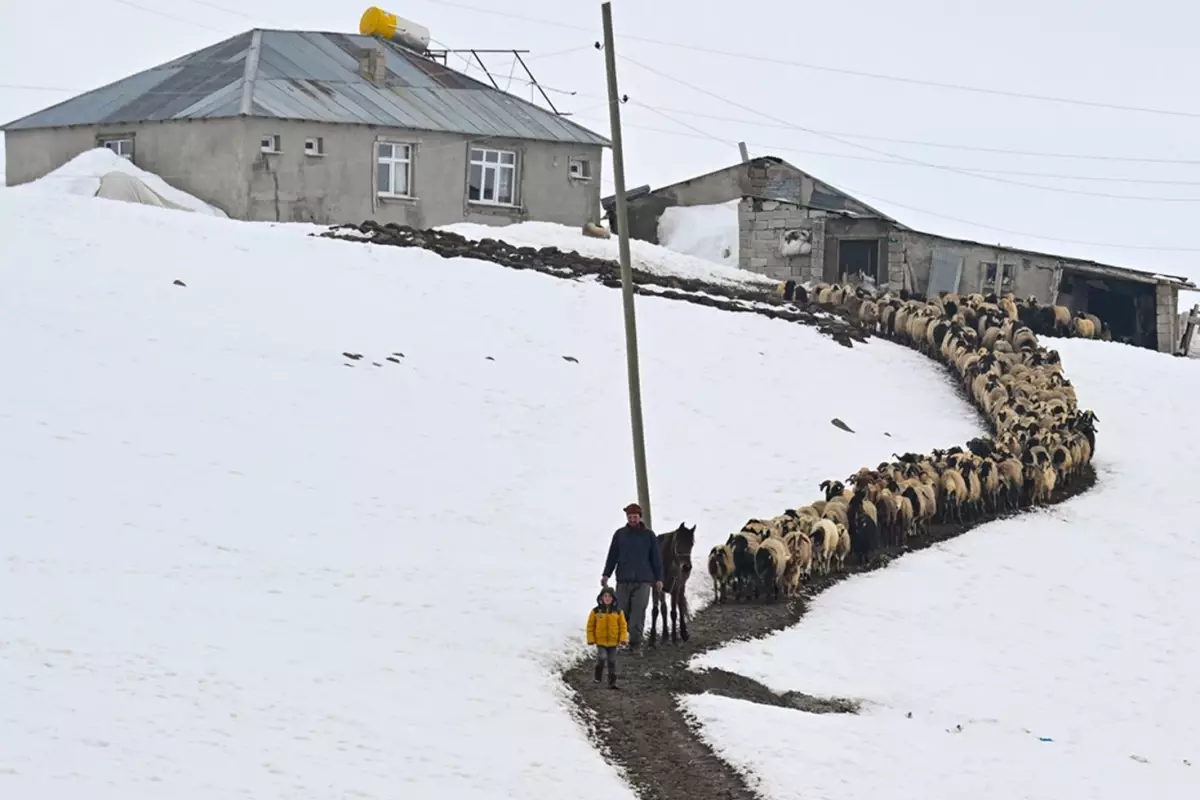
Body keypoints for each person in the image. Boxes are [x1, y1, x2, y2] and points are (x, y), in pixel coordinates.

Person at [600, 502, 663, 656]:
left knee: (638, 613)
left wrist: (659, 578)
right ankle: (623, 638)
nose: (633, 520)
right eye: (630, 517)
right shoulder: (620, 535)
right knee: (622, 611)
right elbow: (612, 555)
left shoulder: (649, 535)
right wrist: (606, 574)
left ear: (640, 517)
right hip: (623, 580)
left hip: (643, 581)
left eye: (635, 517)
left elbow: (656, 559)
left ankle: (635, 644)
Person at [586, 586, 628, 689]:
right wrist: (591, 639)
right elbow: (590, 625)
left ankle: (612, 681)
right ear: (601, 598)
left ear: (613, 598)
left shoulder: (618, 612)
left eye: (609, 596)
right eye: (605, 596)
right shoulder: (596, 611)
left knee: (612, 661)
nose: (607, 598)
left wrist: (623, 638)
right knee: (602, 657)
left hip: (613, 642)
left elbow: (623, 626)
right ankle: (598, 675)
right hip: (601, 641)